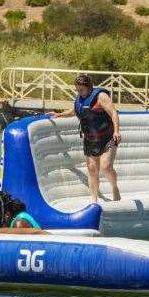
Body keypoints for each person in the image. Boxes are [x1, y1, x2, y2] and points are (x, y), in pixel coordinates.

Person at [47, 74, 121, 203]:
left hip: (107, 137)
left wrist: (116, 131)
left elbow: (114, 112)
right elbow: (75, 111)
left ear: (89, 87)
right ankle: (94, 201)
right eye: (77, 90)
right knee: (92, 169)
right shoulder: (80, 99)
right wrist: (59, 114)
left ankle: (114, 188)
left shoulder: (101, 97)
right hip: (90, 140)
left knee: (105, 167)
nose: (79, 92)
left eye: (81, 90)